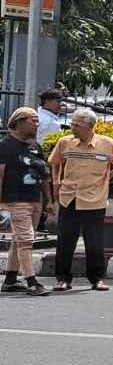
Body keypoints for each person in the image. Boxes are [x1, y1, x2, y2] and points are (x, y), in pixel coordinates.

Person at [46, 108, 113, 293]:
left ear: (90, 126)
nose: (72, 127)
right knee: (65, 241)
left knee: (94, 242)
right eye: (72, 124)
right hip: (69, 198)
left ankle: (96, 278)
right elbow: (55, 163)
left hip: (95, 199)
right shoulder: (64, 142)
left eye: (77, 125)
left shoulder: (107, 144)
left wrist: (107, 176)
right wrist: (56, 184)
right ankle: (63, 279)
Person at [0, 108, 49, 295]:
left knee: (19, 240)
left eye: (37, 121)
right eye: (33, 121)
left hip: (34, 200)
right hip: (14, 200)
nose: (37, 124)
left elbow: (44, 174)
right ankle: (32, 281)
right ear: (19, 122)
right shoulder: (5, 147)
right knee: (26, 240)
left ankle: (10, 280)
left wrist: (49, 200)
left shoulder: (35, 146)